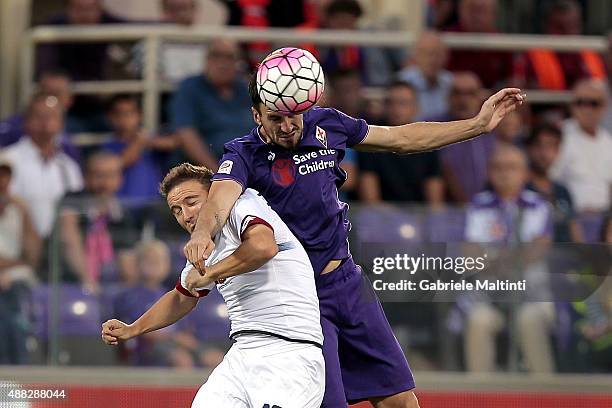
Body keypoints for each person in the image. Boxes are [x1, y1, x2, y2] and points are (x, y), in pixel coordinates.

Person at [184, 56, 524, 407]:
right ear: (257, 115)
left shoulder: (327, 124)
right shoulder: (243, 155)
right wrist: (202, 233)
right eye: (275, 118)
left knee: (402, 402)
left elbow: (402, 138)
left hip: (347, 283)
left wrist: (477, 125)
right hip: (301, 302)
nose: (287, 126)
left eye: (294, 115)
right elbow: (220, 199)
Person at [102, 164, 325, 407]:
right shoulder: (206, 244)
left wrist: (209, 274)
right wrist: (132, 329)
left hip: (289, 352)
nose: (185, 215)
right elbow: (181, 297)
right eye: (176, 210)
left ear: (215, 196)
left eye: (191, 201)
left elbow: (263, 247)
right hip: (242, 354)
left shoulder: (242, 203)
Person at [462, 145, 554, 373]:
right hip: (489, 294)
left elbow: (538, 250)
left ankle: (545, 392)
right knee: (478, 320)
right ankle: (479, 397)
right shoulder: (478, 205)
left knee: (529, 319)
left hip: (531, 294)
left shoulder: (539, 205)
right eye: (498, 167)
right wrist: (514, 257)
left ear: (525, 173)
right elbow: (470, 254)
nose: (504, 173)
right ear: (489, 173)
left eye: (512, 168)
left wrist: (494, 257)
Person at [1, 93, 83, 239]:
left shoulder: (69, 167)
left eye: (51, 116)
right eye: (39, 116)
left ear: (61, 123)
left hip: (56, 250)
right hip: (14, 243)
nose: (46, 122)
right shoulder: (7, 160)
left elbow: (75, 213)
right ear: (25, 122)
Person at [169, 38, 253, 170]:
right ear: (206, 60)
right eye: (216, 56)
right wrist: (217, 172)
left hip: (251, 168)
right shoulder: (190, 88)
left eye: (230, 57)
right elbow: (186, 134)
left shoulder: (247, 89)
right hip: (207, 171)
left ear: (238, 62)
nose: (223, 63)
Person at [359, 81, 445, 206]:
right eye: (391, 103)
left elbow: (435, 202)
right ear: (384, 106)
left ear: (416, 108)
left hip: (419, 219)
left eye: (403, 103)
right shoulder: (371, 139)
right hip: (382, 219)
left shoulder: (427, 142)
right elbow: (371, 200)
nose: (396, 109)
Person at [550, 79, 612, 213]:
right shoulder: (558, 135)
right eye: (580, 103)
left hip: (604, 220)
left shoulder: (608, 141)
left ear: (605, 107)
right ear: (571, 105)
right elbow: (549, 181)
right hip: (568, 218)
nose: (586, 109)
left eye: (594, 103)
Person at [397, 30, 453, 120]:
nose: (433, 60)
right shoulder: (402, 82)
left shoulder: (450, 82)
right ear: (415, 56)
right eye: (427, 54)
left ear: (446, 57)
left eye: (437, 54)